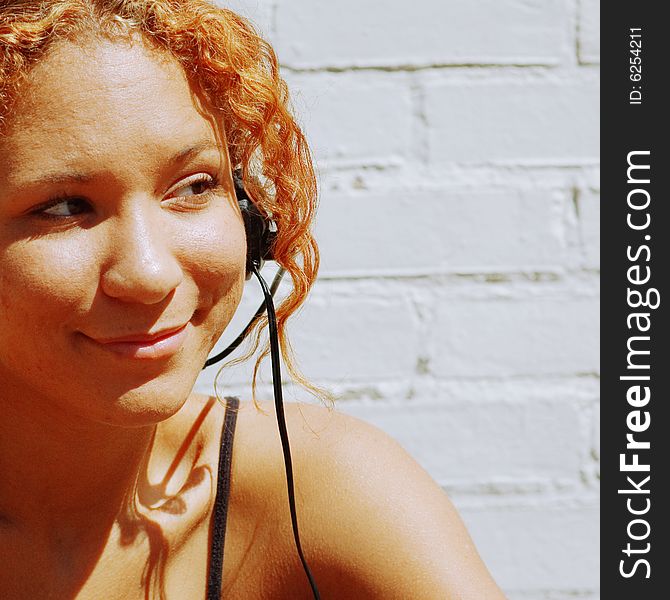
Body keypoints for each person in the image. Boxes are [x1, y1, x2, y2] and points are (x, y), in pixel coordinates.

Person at [0, 1, 506, 598]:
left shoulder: (336, 490)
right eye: (63, 207)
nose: (149, 273)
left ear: (249, 216)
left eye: (192, 186)